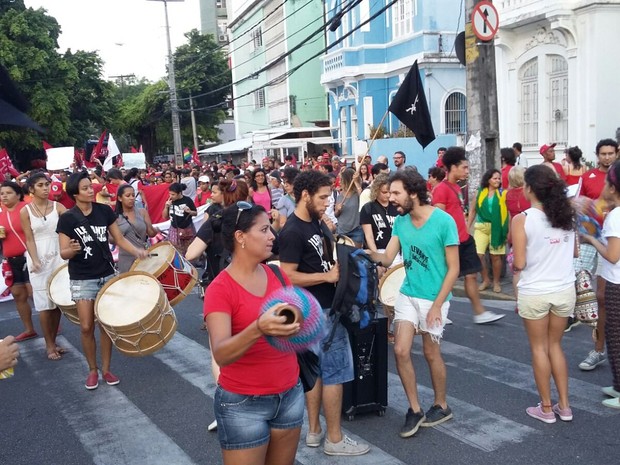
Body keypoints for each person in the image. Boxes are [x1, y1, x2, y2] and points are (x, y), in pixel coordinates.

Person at [204, 202, 303, 465]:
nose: (272, 236)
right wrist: (258, 328)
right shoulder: (220, 289)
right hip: (242, 404)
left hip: (290, 394)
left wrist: (297, 319)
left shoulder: (278, 274)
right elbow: (222, 353)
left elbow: (299, 323)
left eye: (270, 228)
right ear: (240, 237)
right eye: (264, 229)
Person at [279, 170, 369, 456]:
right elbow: (287, 275)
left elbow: (322, 257)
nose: (327, 202)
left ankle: (315, 432)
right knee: (335, 373)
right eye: (322, 197)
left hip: (319, 309)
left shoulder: (315, 223)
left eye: (328, 196)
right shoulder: (292, 231)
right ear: (305, 195)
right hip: (319, 310)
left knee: (315, 373)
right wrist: (327, 277)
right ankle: (334, 438)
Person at [367, 169, 459, 437]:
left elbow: (454, 269)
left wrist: (436, 306)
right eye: (389, 192)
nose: (390, 197)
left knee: (431, 354)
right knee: (401, 351)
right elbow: (386, 259)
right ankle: (414, 409)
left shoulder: (444, 222)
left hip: (435, 298)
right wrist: (359, 252)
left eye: (396, 193)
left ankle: (441, 405)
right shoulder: (400, 222)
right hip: (407, 293)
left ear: (414, 193)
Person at [57, 171, 149, 390]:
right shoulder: (68, 218)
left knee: (106, 325)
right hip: (82, 278)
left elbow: (118, 239)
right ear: (74, 193)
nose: (91, 190)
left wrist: (137, 251)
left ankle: (106, 369)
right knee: (87, 326)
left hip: (106, 273)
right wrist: (72, 250)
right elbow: (63, 253)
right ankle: (92, 370)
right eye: (86, 188)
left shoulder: (104, 211)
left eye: (91, 186)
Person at [512, 164, 576, 423]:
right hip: (563, 288)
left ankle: (547, 408)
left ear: (529, 188)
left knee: (539, 348)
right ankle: (565, 406)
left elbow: (519, 263)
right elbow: (574, 252)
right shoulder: (566, 214)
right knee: (555, 346)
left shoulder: (523, 219)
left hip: (535, 290)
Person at [432, 147, 504, 323]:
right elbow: (438, 220)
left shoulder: (456, 187)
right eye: (464, 167)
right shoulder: (441, 189)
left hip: (464, 239)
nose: (467, 171)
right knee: (443, 278)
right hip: (450, 242)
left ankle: (479, 313)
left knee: (471, 274)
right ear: (453, 167)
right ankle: (437, 311)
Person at [580, 160, 620, 408]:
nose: (603, 185)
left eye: (607, 182)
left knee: (616, 336)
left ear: (614, 188)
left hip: (617, 282)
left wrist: (592, 240)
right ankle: (617, 385)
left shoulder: (615, 216)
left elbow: (613, 255)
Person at [20, 172, 67, 360]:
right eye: (40, 185)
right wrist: (35, 259)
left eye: (47, 184)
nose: (46, 188)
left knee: (57, 303)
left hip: (59, 257)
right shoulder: (26, 211)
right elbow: (29, 239)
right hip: (38, 258)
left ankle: (54, 341)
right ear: (31, 189)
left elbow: (73, 225)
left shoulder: (59, 207)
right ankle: (48, 345)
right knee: (43, 305)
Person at [0, 181, 37, 342]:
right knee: (18, 294)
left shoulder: (27, 209)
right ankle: (29, 329)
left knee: (34, 293)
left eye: (8, 193)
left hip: (28, 257)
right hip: (11, 260)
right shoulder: (0, 215)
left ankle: (52, 325)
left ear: (18, 194)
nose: (4, 196)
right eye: (2, 194)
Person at [468, 169, 508, 294]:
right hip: (481, 226)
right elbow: (473, 210)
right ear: (488, 179)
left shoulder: (502, 193)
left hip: (497, 228)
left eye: (499, 178)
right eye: (495, 178)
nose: (497, 181)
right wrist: (467, 226)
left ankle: (496, 281)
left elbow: (507, 213)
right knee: (478, 255)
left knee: (495, 256)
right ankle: (486, 279)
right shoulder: (480, 193)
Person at [115, 184, 159, 273]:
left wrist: (156, 230)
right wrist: (119, 234)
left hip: (143, 256)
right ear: (120, 198)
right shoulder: (115, 217)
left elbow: (150, 233)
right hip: (126, 258)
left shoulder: (142, 212)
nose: (131, 198)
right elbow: (112, 239)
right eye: (127, 196)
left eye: (133, 195)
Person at [162, 182, 197, 256]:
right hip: (174, 229)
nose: (171, 196)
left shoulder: (187, 200)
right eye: (170, 194)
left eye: (173, 194)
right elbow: (165, 217)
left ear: (179, 193)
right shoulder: (169, 202)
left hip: (187, 229)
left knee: (188, 249)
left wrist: (189, 211)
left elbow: (195, 213)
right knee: (175, 251)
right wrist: (166, 207)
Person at [335, 168, 363, 245]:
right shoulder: (339, 196)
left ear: (347, 181)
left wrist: (356, 182)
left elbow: (363, 199)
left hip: (356, 230)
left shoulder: (357, 194)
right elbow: (336, 215)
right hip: (342, 230)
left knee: (356, 255)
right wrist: (338, 210)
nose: (339, 182)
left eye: (342, 180)